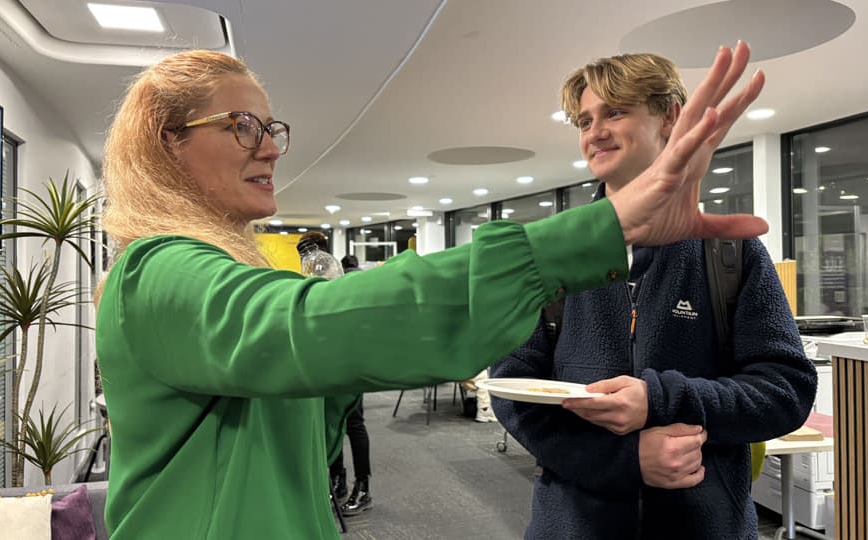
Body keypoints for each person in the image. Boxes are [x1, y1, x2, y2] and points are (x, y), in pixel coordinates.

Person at [96, 43, 766, 539]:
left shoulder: (730, 259)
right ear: (168, 143)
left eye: (272, 130)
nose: (271, 149)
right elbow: (311, 328)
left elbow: (303, 420)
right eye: (244, 126)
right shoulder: (157, 271)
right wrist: (605, 229)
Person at [491, 47, 816, 540]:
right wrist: (624, 460)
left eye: (615, 111)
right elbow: (512, 388)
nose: (594, 132)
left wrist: (663, 399)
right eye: (584, 120)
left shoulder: (728, 250)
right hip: (573, 523)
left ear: (669, 117)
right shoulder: (554, 251)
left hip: (707, 525)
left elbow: (786, 389)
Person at [296, 233, 374, 515]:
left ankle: (363, 486)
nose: (309, 261)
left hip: (348, 356)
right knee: (332, 420)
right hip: (325, 356)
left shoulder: (338, 276)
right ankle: (338, 480)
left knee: (353, 422)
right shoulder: (314, 273)